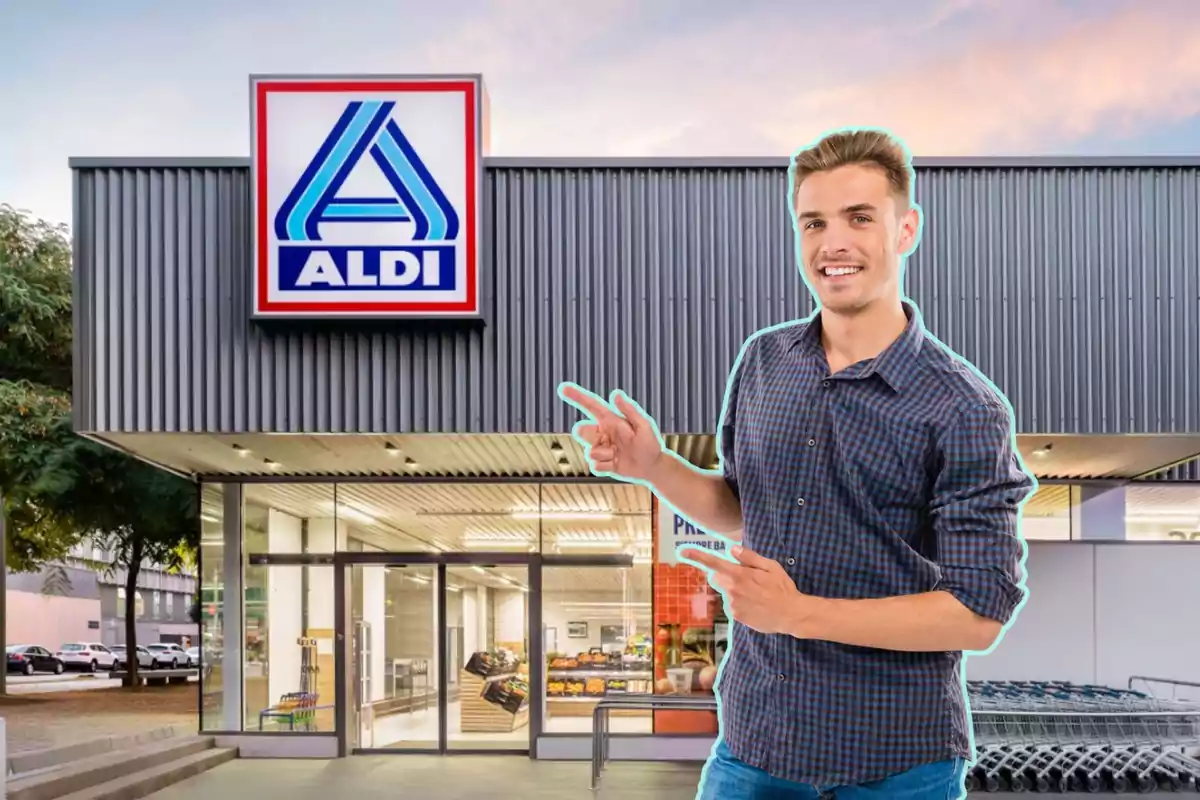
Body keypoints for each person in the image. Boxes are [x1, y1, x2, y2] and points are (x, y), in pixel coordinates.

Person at [558, 128, 1036, 798]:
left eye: (858, 218)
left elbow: (979, 614)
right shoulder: (764, 361)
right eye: (813, 222)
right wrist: (655, 465)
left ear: (906, 229)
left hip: (896, 761)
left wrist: (800, 613)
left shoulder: (963, 406)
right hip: (757, 744)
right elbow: (746, 510)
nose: (831, 243)